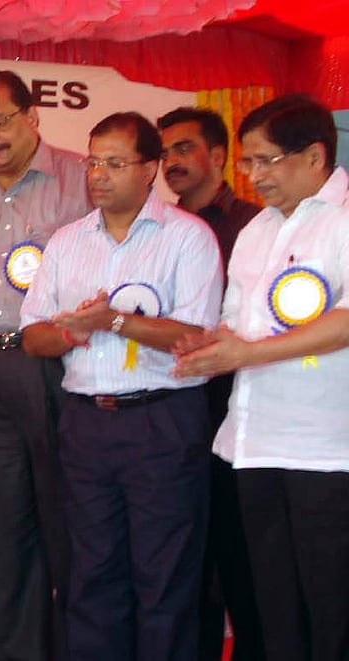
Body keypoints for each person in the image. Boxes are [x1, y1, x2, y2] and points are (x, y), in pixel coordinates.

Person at [21, 112, 223, 661]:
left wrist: (113, 321)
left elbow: (196, 335)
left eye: (115, 163)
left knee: (165, 578)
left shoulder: (189, 238)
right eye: (93, 162)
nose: (99, 175)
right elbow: (33, 334)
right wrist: (71, 330)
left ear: (150, 169)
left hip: (163, 420)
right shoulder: (67, 241)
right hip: (86, 423)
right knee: (91, 575)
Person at [174, 95, 349, 661]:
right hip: (251, 446)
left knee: (331, 606)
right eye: (248, 163)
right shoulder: (256, 230)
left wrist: (246, 354)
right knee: (270, 606)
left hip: (324, 450)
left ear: (315, 156)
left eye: (266, 160)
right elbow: (236, 324)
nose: (253, 176)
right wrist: (203, 347)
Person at [0, 69, 89, 661]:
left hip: (64, 368)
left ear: (32, 117)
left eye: (0, 121)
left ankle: (79, 648)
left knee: (71, 526)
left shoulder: (81, 179)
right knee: (5, 533)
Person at [157, 106, 265, 661]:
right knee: (184, 564)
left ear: (219, 157)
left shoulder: (255, 226)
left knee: (242, 559)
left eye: (184, 149)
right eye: (165, 151)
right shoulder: (157, 230)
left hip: (240, 417)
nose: (171, 161)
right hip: (173, 415)